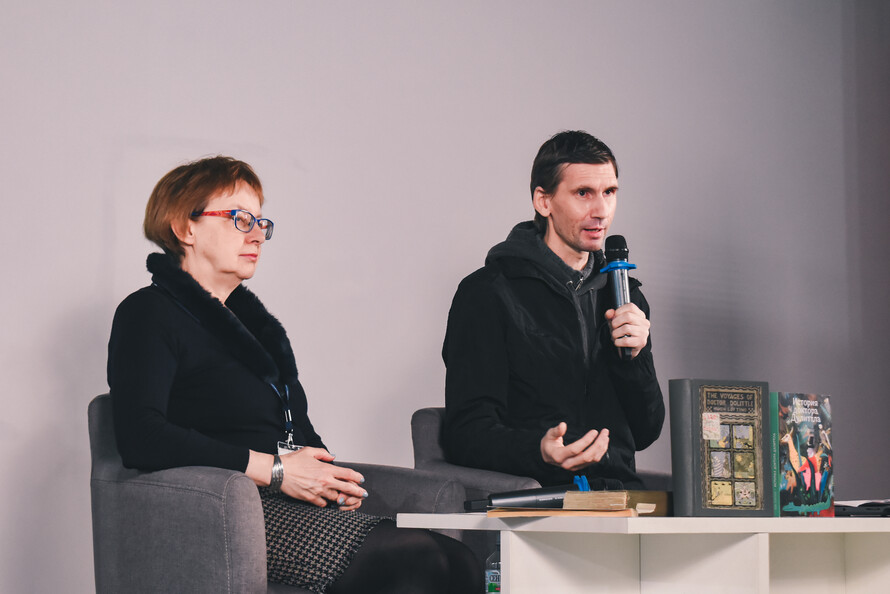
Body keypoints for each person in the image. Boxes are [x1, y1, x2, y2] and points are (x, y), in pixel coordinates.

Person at [108, 156, 480, 593]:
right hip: (228, 509)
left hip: (288, 502)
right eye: (239, 219)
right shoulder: (148, 313)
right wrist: (277, 471)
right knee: (423, 562)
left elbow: (294, 427)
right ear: (184, 228)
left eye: (260, 223)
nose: (256, 235)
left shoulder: (254, 329)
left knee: (462, 561)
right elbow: (141, 435)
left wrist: (329, 478)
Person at [442, 131, 665, 489]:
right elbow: (465, 432)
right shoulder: (488, 293)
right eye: (583, 193)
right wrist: (539, 450)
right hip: (536, 495)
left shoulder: (626, 297)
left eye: (609, 192)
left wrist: (634, 359)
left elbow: (645, 432)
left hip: (619, 498)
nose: (601, 211)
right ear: (543, 201)